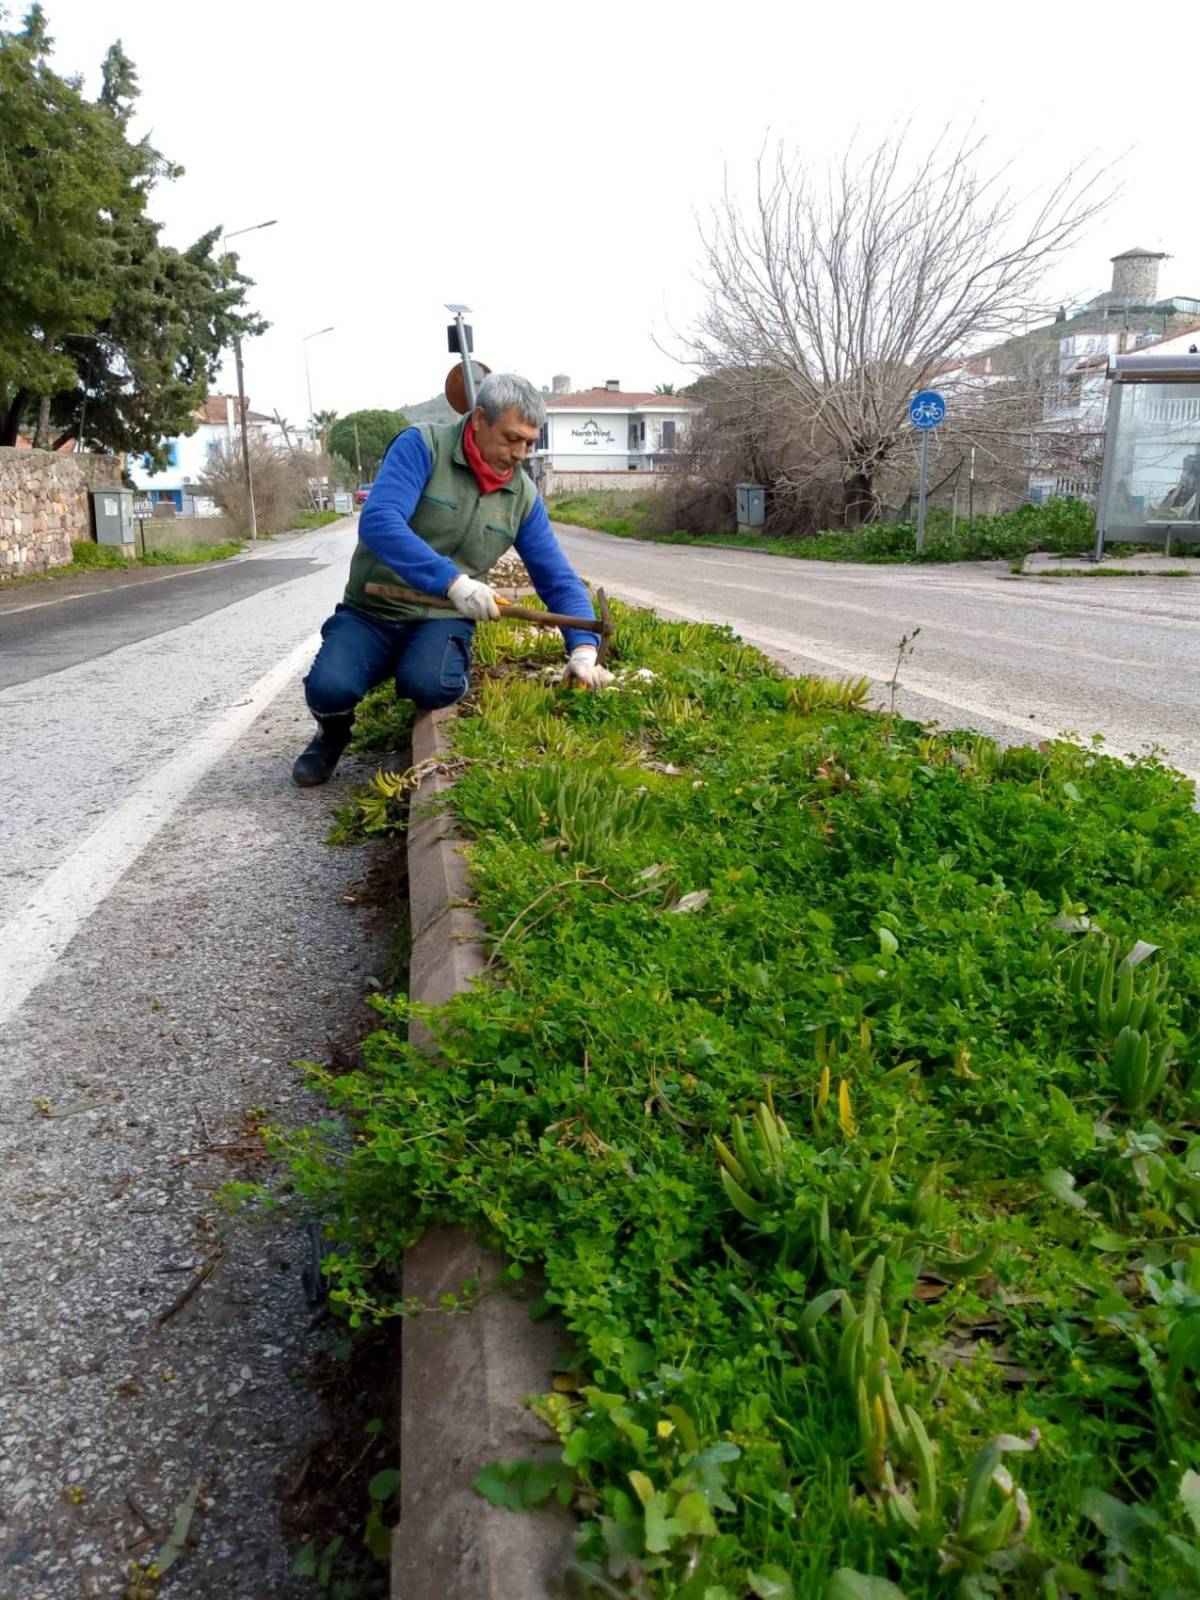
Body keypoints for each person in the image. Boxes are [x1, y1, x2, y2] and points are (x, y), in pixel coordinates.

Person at [293, 372, 612, 786]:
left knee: (431, 684)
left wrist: (584, 650)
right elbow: (380, 521)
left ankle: (425, 672)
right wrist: (453, 582)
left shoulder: (523, 497)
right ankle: (331, 735)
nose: (520, 453)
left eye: (530, 443)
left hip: (440, 619)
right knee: (328, 688)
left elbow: (558, 579)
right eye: (511, 438)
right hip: (374, 611)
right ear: (479, 419)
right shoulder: (422, 446)